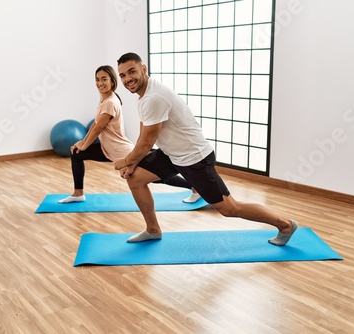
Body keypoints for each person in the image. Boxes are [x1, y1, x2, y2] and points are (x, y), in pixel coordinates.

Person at [114, 52, 298, 245]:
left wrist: (125, 161)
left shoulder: (154, 97)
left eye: (132, 72)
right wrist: (132, 163)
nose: (128, 79)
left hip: (195, 158)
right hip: (173, 153)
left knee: (229, 208)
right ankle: (153, 230)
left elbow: (146, 144)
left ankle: (284, 225)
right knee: (135, 179)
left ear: (144, 69)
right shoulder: (144, 96)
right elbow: (143, 135)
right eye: (123, 75)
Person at [58, 65, 200, 204]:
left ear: (112, 81)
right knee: (77, 154)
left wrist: (84, 145)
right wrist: (82, 143)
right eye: (97, 79)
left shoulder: (110, 102)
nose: (100, 83)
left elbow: (98, 128)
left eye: (104, 79)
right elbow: (95, 124)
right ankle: (78, 194)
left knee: (156, 177)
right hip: (107, 148)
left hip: (120, 150)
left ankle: (195, 187)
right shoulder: (104, 99)